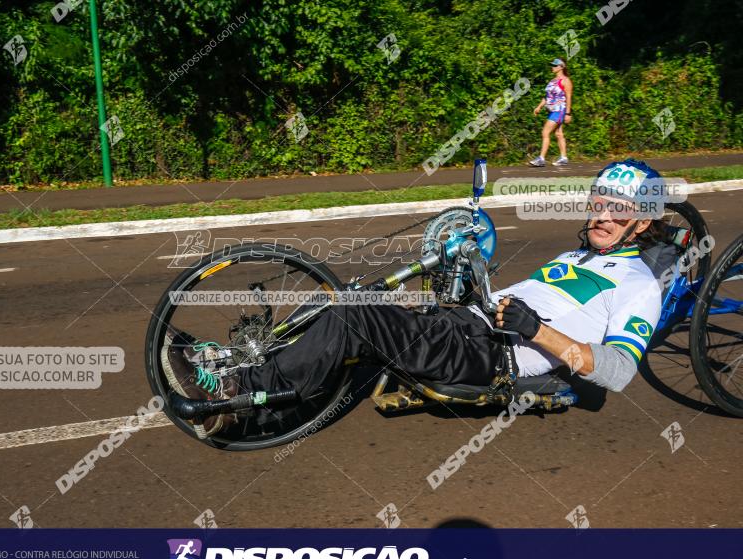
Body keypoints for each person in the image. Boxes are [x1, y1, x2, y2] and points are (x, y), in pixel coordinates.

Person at [166, 160, 666, 436]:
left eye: (618, 212)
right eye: (598, 204)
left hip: (488, 356)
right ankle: (251, 384)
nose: (602, 217)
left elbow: (617, 373)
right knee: (353, 296)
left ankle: (230, 398)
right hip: (465, 326)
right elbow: (514, 299)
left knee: (354, 319)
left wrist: (536, 330)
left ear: (642, 222)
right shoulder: (574, 256)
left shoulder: (639, 286)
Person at [530, 58, 573, 167]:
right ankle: (563, 157)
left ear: (561, 67)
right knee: (558, 133)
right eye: (552, 65)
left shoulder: (566, 81)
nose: (552, 67)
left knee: (545, 132)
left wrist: (568, 114)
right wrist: (539, 107)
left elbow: (568, 97)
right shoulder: (552, 81)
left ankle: (541, 158)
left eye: (555, 65)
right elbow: (547, 97)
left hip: (559, 110)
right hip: (552, 110)